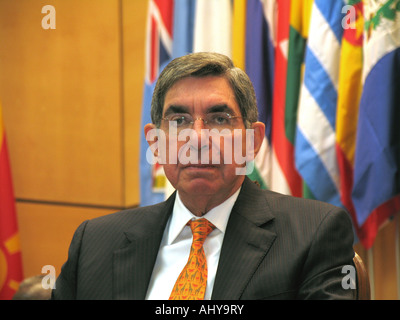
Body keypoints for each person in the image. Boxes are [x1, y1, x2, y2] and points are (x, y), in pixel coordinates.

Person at [51, 52, 355, 300]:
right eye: (179, 120)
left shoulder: (314, 233)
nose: (197, 138)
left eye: (219, 119)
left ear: (253, 141)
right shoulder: (94, 242)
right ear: (155, 143)